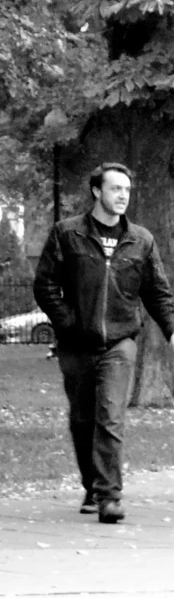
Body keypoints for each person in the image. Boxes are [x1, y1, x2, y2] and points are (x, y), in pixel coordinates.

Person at [33, 162, 174, 524]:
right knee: (82, 419)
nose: (123, 196)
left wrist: (172, 329)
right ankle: (92, 486)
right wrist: (69, 323)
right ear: (97, 191)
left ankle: (110, 497)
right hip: (76, 344)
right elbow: (45, 285)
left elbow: (157, 292)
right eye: (115, 189)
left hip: (120, 341)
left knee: (110, 416)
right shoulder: (67, 233)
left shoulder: (141, 240)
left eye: (126, 190)